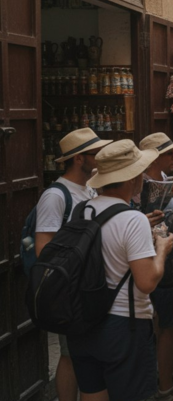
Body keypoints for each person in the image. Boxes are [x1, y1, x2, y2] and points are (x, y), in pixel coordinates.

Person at [67, 140, 173, 401]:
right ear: (133, 178)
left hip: (83, 321)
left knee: (93, 393)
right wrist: (162, 249)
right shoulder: (132, 218)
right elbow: (147, 281)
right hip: (124, 324)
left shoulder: (83, 210)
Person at [34, 128, 111, 401]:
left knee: (82, 352)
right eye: (96, 153)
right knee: (69, 354)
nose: (101, 157)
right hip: (71, 286)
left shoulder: (89, 188)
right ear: (80, 159)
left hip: (88, 283)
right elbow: (44, 245)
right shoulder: (56, 195)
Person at [137, 133, 173, 401]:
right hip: (157, 262)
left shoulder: (166, 181)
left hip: (169, 260)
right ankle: (164, 383)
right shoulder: (142, 186)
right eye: (170, 154)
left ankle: (160, 375)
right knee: (168, 325)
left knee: (167, 323)